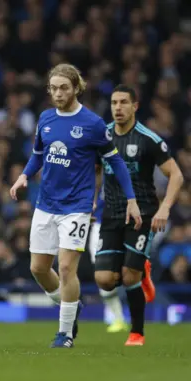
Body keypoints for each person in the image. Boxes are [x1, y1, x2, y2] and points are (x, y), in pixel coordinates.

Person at [10, 64, 141, 348]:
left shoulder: (93, 123)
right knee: (38, 268)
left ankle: (65, 333)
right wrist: (23, 176)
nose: (58, 93)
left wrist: (131, 199)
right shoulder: (45, 119)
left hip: (78, 206)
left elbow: (116, 161)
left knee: (67, 268)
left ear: (76, 88)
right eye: (54, 88)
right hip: (46, 204)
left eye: (64, 88)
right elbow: (37, 156)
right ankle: (72, 305)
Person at [94, 85, 184, 346]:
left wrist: (164, 208)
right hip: (111, 213)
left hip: (142, 213)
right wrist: (91, 198)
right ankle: (140, 269)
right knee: (105, 281)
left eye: (123, 103)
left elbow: (176, 175)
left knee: (129, 276)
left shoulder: (148, 139)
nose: (118, 108)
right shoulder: (103, 136)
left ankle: (136, 333)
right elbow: (96, 169)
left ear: (135, 106)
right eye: (114, 103)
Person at [88, 191, 129, 333]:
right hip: (100, 225)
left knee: (128, 269)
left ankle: (127, 316)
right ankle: (118, 318)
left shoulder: (126, 171)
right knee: (102, 273)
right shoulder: (94, 172)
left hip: (125, 223)